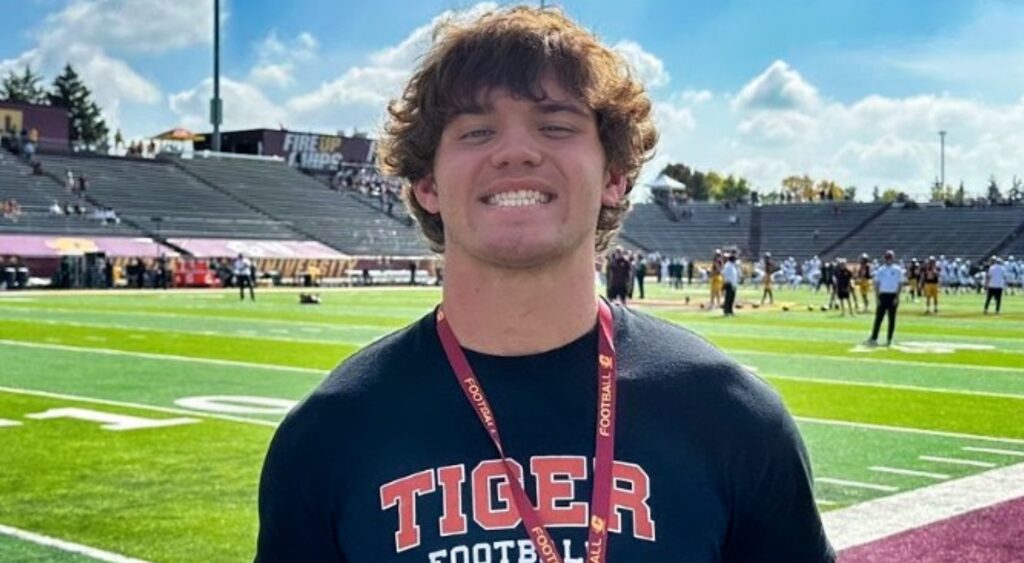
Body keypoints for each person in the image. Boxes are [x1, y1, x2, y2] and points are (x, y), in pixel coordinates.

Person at [255, 7, 833, 563]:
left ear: (614, 176)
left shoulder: (732, 417)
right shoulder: (329, 433)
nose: (516, 151)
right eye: (477, 132)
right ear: (426, 183)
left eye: (556, 126)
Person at [865, 250, 903, 347]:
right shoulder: (881, 270)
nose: (888, 259)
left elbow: (900, 284)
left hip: (892, 295)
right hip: (883, 295)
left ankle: (889, 338)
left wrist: (897, 297)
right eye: (887, 257)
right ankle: (874, 337)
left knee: (892, 319)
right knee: (878, 318)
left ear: (893, 258)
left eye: (889, 257)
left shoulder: (898, 270)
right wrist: (877, 298)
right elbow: (877, 284)